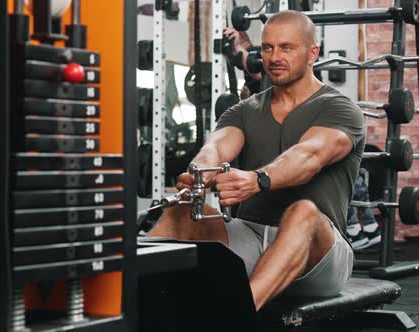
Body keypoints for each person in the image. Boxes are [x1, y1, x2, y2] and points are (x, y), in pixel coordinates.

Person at [147, 10, 365, 310]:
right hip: (250, 237)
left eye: (286, 47)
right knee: (181, 212)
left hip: (319, 254)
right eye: (267, 47)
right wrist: (200, 174)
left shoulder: (340, 108)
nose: (274, 57)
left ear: (313, 52)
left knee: (303, 212)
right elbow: (216, 148)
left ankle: (238, 319)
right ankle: (124, 305)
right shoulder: (244, 110)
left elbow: (309, 156)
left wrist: (258, 180)